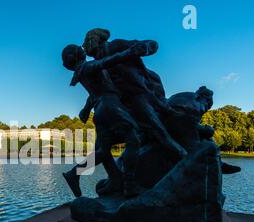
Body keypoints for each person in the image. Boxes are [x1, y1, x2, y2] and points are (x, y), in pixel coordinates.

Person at [82, 28, 188, 160]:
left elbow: (147, 44)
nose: (84, 46)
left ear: (95, 40)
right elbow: (100, 90)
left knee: (156, 127)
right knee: (102, 143)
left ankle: (183, 155)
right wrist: (86, 109)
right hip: (124, 102)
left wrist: (146, 47)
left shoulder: (115, 45)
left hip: (139, 93)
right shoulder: (97, 63)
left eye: (86, 41)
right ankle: (117, 175)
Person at [61, 43, 147, 198]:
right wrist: (129, 52)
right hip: (111, 106)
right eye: (80, 49)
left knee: (103, 150)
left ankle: (77, 174)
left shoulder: (83, 72)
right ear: (78, 55)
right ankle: (130, 184)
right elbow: (107, 61)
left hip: (100, 110)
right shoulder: (88, 67)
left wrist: (86, 110)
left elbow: (93, 94)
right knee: (134, 139)